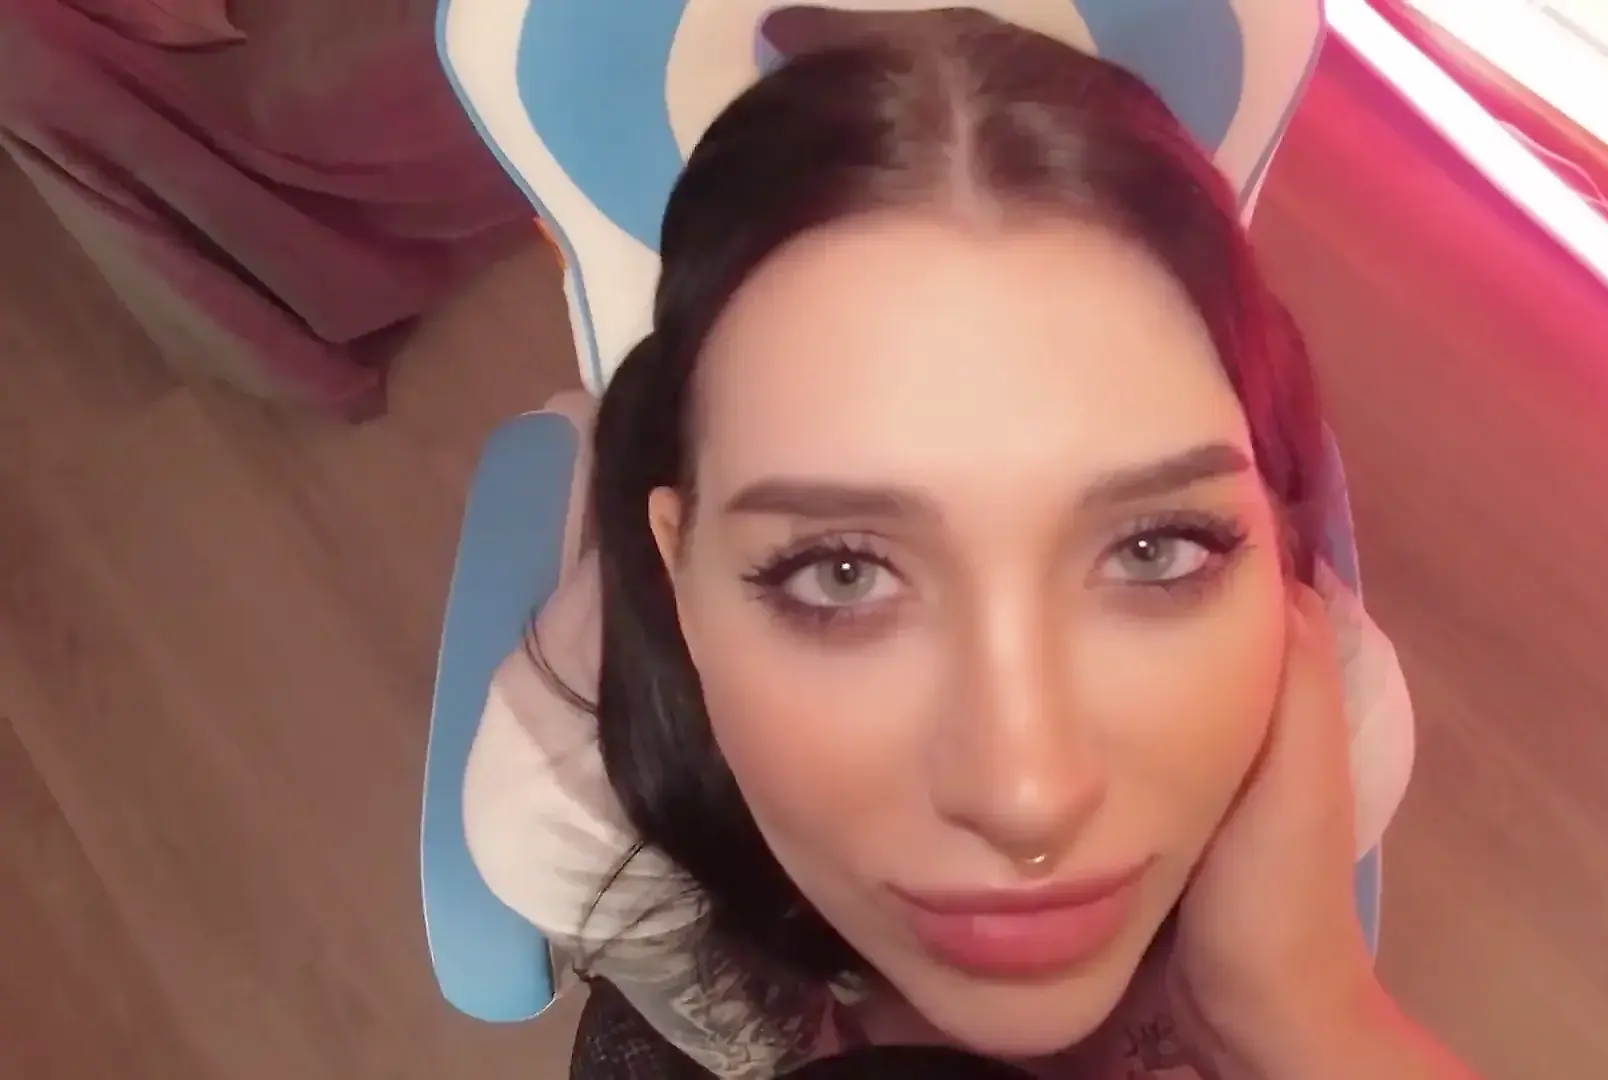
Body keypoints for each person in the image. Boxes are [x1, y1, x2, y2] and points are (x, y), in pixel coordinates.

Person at [465, 10, 1471, 1078]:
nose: (1026, 797)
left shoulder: (1340, 738)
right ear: (679, 572)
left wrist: (1299, 1011)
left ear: (1272, 522)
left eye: (1155, 548)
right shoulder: (577, 825)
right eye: (842, 573)